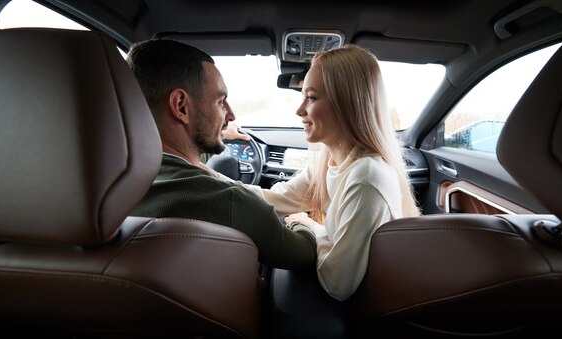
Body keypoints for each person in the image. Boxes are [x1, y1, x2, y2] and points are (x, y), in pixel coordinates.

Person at [246, 44, 421, 301]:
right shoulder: (331, 161)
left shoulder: (366, 178)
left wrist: (309, 227)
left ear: (347, 103)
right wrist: (208, 179)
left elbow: (337, 283)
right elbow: (273, 199)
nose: (299, 110)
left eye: (312, 97)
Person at [127, 39, 316, 270]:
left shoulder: (108, 182)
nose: (232, 115)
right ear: (181, 106)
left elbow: (181, 157)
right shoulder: (229, 201)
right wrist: (302, 223)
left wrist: (222, 134)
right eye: (220, 101)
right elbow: (304, 254)